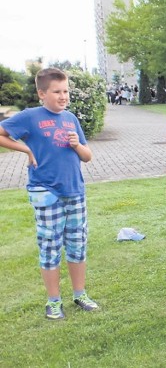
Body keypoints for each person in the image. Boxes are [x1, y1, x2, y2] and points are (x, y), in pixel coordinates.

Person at [0, 68, 99, 320]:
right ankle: (53, 301)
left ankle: (80, 294)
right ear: (42, 93)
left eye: (66, 91)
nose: (63, 96)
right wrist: (25, 149)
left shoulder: (71, 119)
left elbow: (87, 156)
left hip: (74, 190)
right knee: (50, 246)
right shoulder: (30, 117)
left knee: (77, 245)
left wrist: (77, 145)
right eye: (57, 91)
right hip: (45, 191)